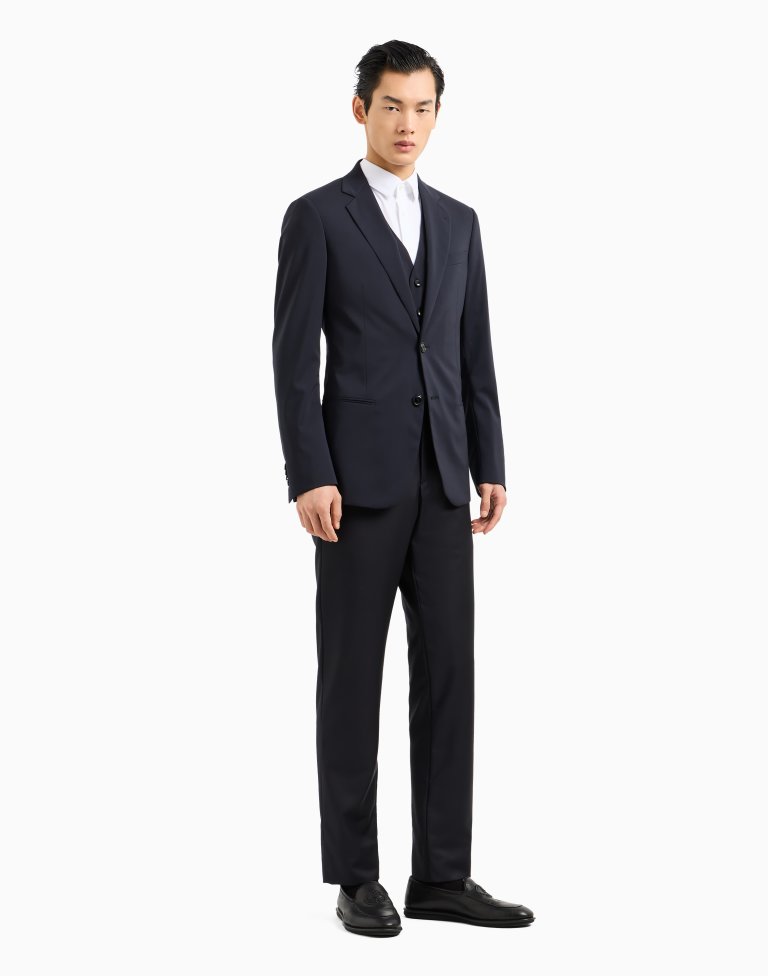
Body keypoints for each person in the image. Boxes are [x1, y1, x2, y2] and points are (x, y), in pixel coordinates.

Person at [272, 39, 535, 937]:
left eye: (422, 108)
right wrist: (310, 472)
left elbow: (474, 352)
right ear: (361, 111)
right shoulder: (317, 217)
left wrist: (488, 461)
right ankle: (356, 876)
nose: (408, 124)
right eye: (392, 106)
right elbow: (291, 359)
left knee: (450, 678)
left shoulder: (459, 222)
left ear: (437, 115)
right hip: (354, 488)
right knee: (352, 679)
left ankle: (442, 876)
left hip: (444, 483)